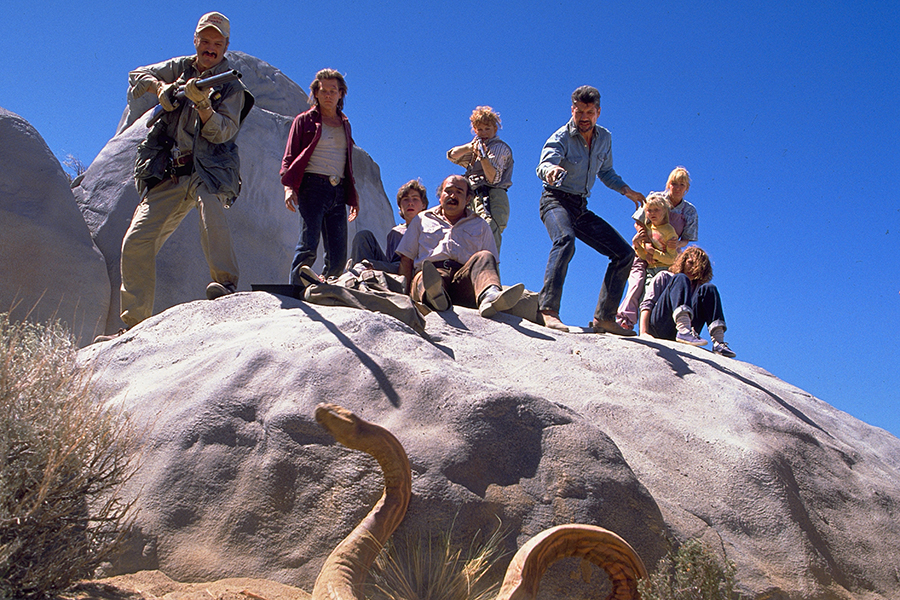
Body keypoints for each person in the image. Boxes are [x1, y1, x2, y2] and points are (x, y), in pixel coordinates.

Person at [100, 11, 254, 342]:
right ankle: (134, 325)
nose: (210, 48)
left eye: (217, 43)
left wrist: (203, 106)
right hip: (170, 170)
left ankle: (226, 287)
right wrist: (160, 89)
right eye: (205, 41)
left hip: (207, 170)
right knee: (136, 240)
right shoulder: (180, 67)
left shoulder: (231, 85)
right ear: (196, 41)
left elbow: (224, 131)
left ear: (226, 46)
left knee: (211, 212)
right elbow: (136, 74)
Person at [535, 85, 645, 335]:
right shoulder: (561, 137)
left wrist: (627, 191)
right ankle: (548, 310)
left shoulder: (604, 138)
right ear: (572, 109)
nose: (584, 118)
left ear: (598, 112)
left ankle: (605, 318)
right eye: (579, 112)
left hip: (580, 208)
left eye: (590, 112)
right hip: (555, 201)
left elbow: (606, 172)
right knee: (565, 240)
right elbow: (545, 163)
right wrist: (551, 171)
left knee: (624, 254)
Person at [396, 175, 524, 318]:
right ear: (440, 197)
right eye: (448, 191)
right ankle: (435, 297)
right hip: (432, 274)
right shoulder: (421, 220)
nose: (452, 195)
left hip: (464, 281)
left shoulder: (481, 225)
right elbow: (406, 260)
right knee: (426, 277)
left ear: (468, 199)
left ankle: (490, 297)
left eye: (459, 192)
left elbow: (490, 265)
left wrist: (492, 283)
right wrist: (402, 296)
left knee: (486, 256)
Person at [281, 69, 358, 283]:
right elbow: (289, 156)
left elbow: (347, 164)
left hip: (338, 190)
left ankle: (328, 288)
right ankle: (296, 290)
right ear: (315, 93)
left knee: (338, 253)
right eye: (323, 91)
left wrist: (352, 198)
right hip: (312, 186)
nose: (328, 95)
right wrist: (289, 188)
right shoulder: (304, 121)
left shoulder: (345, 125)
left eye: (333, 91)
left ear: (341, 93)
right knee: (308, 243)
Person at [639, 247, 736, 357]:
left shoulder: (699, 289)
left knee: (709, 288)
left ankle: (719, 343)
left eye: (699, 266)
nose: (693, 268)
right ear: (683, 261)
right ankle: (683, 330)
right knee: (681, 278)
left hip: (685, 330)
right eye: (690, 263)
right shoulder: (665, 276)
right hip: (660, 326)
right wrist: (643, 332)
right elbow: (646, 305)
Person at [446, 106, 513, 252]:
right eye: (480, 129)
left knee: (488, 237)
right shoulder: (475, 147)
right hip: (473, 197)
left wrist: (482, 157)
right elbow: (452, 155)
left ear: (495, 129)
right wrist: (470, 148)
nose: (483, 133)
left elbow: (493, 178)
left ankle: (489, 272)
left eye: (487, 129)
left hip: (492, 196)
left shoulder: (499, 148)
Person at [616, 193, 679, 329]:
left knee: (659, 299)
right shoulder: (648, 229)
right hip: (650, 269)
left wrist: (654, 253)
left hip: (664, 270)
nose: (652, 213)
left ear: (664, 211)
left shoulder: (669, 231)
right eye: (649, 210)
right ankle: (638, 327)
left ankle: (656, 328)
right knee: (645, 296)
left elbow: (672, 258)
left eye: (657, 210)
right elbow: (644, 256)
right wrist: (637, 245)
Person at [346, 179, 428, 274]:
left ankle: (362, 268)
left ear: (423, 205)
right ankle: (360, 274)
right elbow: (390, 262)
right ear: (400, 206)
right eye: (405, 199)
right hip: (395, 269)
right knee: (363, 236)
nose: (410, 203)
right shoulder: (395, 232)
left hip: (415, 269)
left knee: (366, 265)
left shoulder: (428, 228)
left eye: (415, 199)